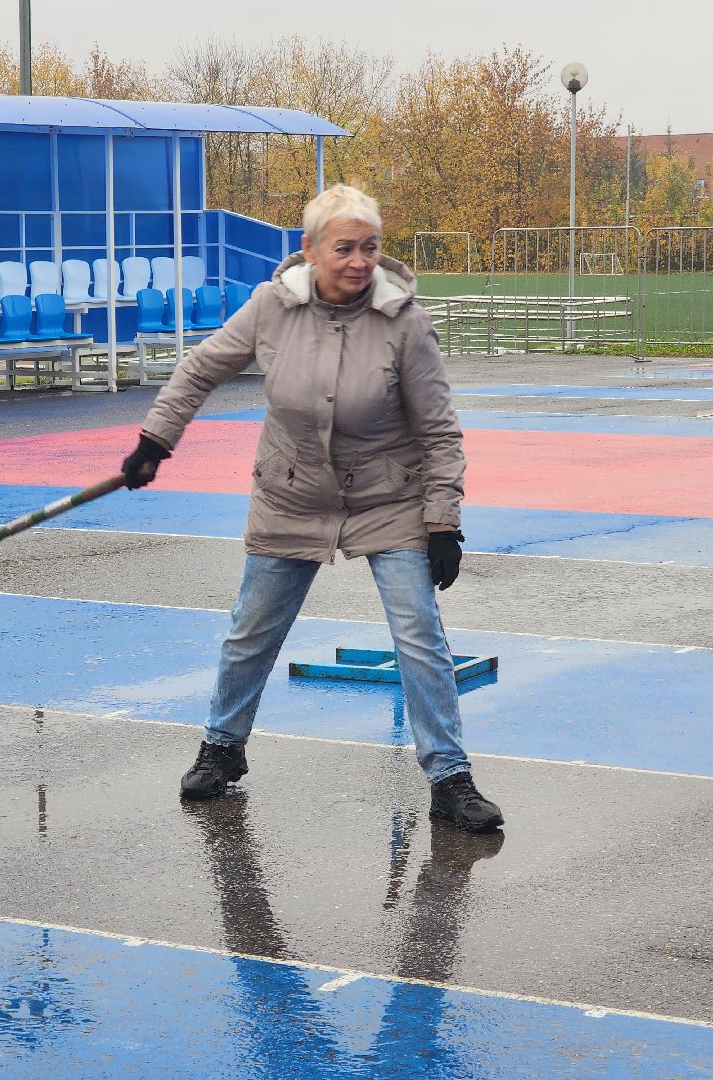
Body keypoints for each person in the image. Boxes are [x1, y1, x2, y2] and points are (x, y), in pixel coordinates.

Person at [121, 184, 503, 833]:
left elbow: (439, 431)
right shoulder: (272, 307)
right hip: (293, 491)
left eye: (371, 248)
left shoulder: (404, 322)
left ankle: (449, 776)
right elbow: (200, 369)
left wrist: (443, 523)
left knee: (419, 635)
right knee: (253, 628)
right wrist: (156, 439)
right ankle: (222, 747)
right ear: (310, 250)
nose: (360, 261)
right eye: (345, 248)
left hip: (388, 496)